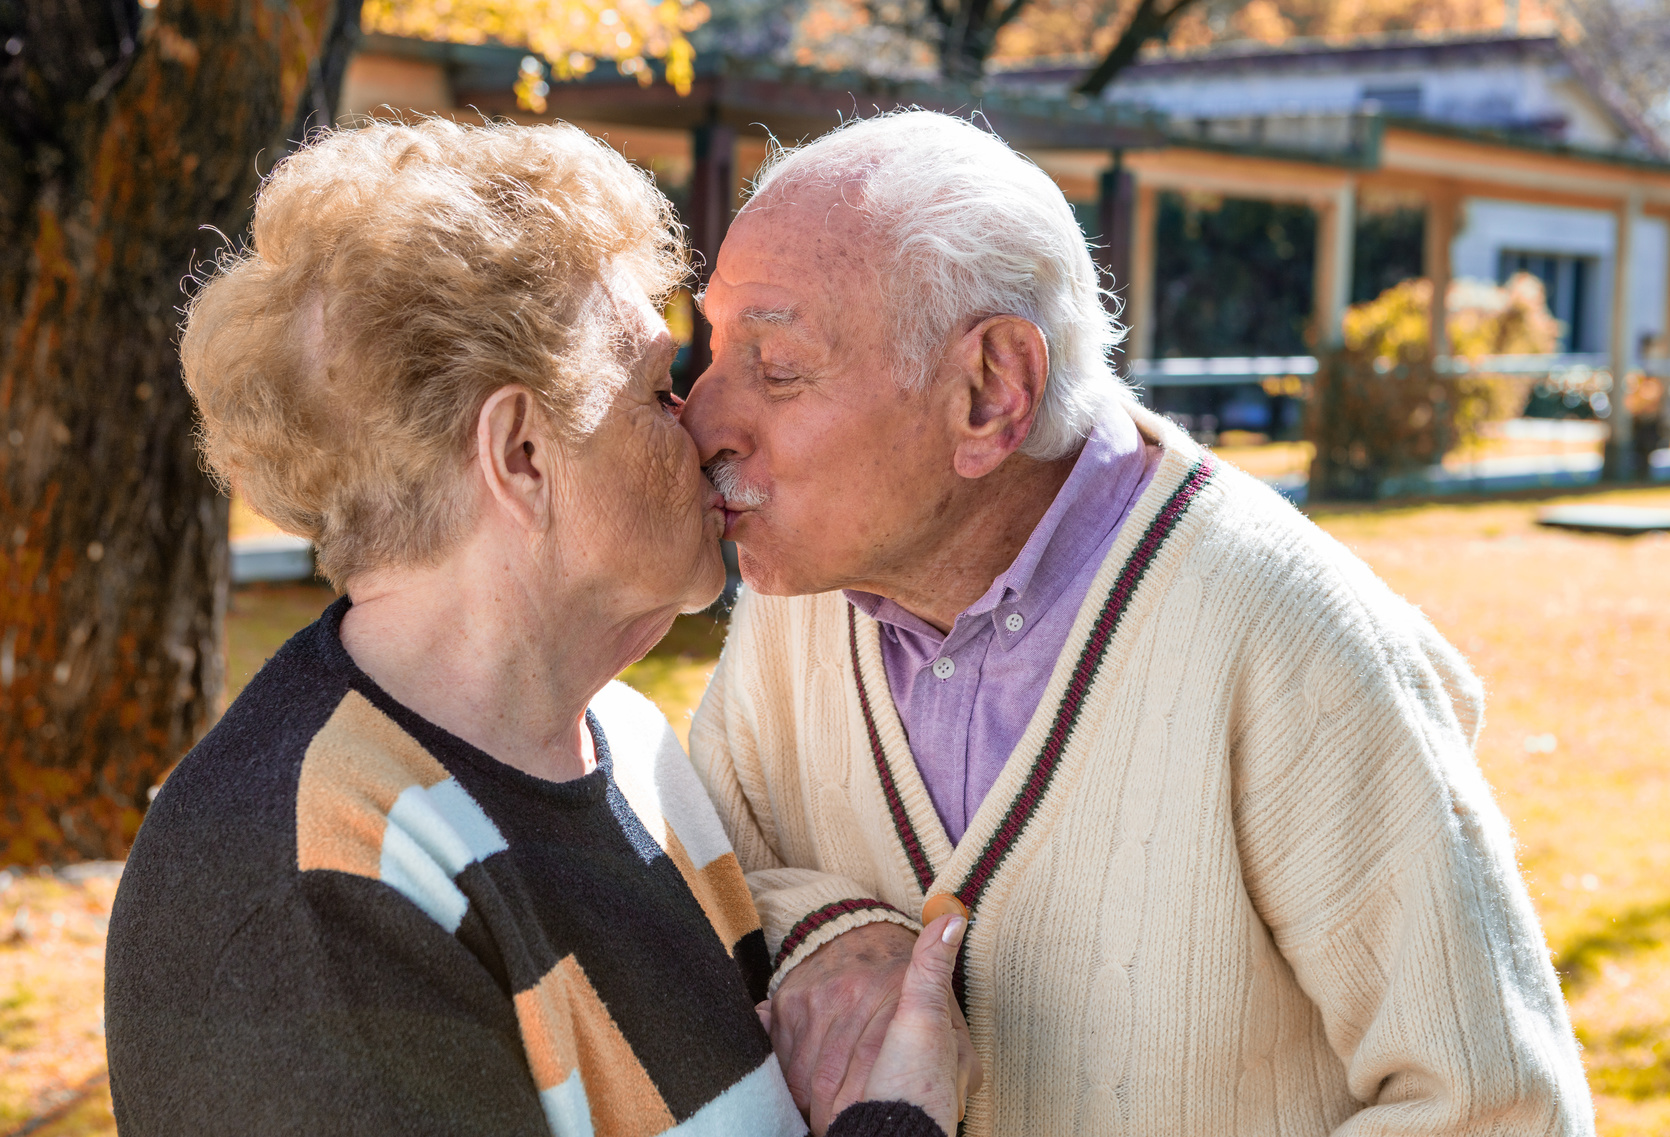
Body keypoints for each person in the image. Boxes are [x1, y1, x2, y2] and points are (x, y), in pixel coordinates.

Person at [680, 110, 1595, 1136]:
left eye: (777, 369)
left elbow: (1497, 1109)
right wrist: (832, 933)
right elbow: (696, 884)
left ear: (989, 392)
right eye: (713, 352)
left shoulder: (1291, 638)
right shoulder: (793, 606)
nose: (702, 418)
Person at [104, 119, 976, 1137]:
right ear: (520, 454)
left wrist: (834, 937)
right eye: (655, 390)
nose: (700, 424)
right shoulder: (306, 892)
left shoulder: (634, 750)